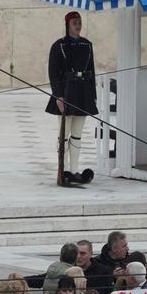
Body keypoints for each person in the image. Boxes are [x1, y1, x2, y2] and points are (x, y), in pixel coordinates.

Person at [46, 10, 96, 187]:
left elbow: (92, 72)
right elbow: (53, 73)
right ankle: (63, 169)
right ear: (68, 25)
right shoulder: (59, 46)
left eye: (79, 22)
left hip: (82, 93)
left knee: (77, 135)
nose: (78, 25)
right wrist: (58, 96)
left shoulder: (87, 45)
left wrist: (93, 96)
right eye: (75, 23)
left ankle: (74, 170)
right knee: (63, 135)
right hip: (66, 92)